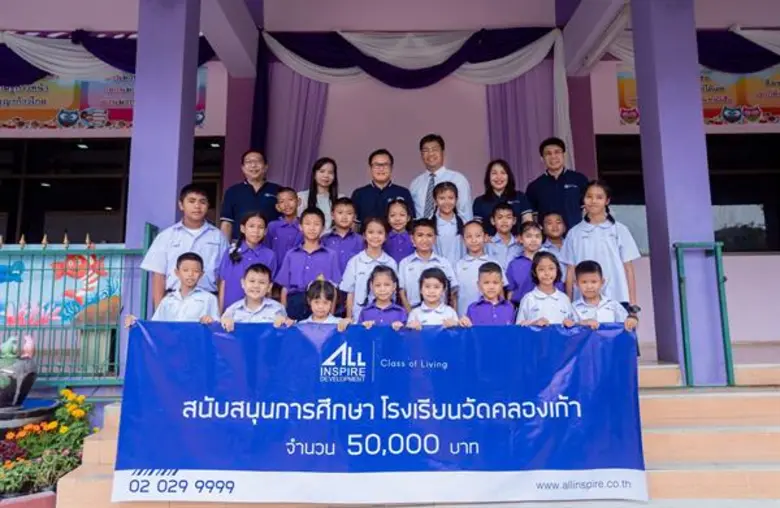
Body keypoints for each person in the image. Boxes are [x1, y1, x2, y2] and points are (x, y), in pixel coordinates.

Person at [140, 184, 229, 308]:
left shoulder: (218, 237)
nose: (197, 206)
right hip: (173, 301)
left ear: (208, 206)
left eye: (202, 202)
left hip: (208, 302)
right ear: (181, 205)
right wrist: (159, 311)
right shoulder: (166, 236)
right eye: (191, 201)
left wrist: (220, 309)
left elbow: (223, 277)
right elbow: (159, 276)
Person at [561, 180, 641, 315]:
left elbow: (628, 268)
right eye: (589, 196)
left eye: (599, 197)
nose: (593, 201)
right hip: (582, 302)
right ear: (583, 199)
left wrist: (632, 304)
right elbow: (570, 270)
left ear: (607, 201)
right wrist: (568, 303)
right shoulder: (574, 233)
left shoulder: (619, 230)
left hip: (617, 297)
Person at [275, 207, 342, 321]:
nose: (312, 228)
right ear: (300, 227)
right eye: (307, 224)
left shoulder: (331, 255)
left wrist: (330, 317)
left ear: (323, 228)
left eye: (316, 224)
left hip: (320, 304)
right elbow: (285, 288)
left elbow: (333, 288)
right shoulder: (291, 254)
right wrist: (284, 315)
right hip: (295, 304)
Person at [126, 252, 219, 326]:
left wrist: (210, 322)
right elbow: (155, 326)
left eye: (196, 271)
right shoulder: (167, 300)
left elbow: (217, 328)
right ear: (177, 272)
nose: (190, 274)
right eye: (185, 270)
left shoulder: (209, 299)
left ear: (201, 274)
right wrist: (136, 324)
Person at [525, 137, 589, 230]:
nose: (553, 157)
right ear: (542, 158)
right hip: (547, 237)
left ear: (564, 155)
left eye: (557, 152)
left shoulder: (579, 180)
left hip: (575, 235)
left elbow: (587, 210)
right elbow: (533, 218)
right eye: (548, 153)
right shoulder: (534, 186)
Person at [339, 217, 397, 321]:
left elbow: (393, 294)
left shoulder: (390, 262)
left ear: (385, 237)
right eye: (371, 232)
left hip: (385, 320)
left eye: (380, 232)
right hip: (359, 319)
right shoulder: (355, 262)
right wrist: (349, 317)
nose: (375, 236)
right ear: (364, 236)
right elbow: (350, 293)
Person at [218, 212, 276, 310]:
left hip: (258, 311)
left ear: (265, 231)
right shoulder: (230, 252)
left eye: (260, 227)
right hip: (231, 310)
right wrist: (220, 312)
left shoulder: (269, 255)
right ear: (243, 228)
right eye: (251, 226)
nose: (256, 231)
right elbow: (223, 283)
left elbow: (269, 288)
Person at [398, 219, 458, 311]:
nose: (425, 240)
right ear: (412, 238)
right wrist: (410, 314)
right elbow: (402, 292)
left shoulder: (444, 263)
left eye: (429, 235)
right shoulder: (405, 263)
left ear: (435, 239)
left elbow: (453, 292)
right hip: (414, 312)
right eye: (420, 235)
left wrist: (453, 313)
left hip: (440, 312)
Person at [219, 149, 280, 240]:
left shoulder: (278, 190)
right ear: (243, 168)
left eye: (258, 161)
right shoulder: (232, 191)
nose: (253, 165)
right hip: (239, 244)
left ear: (265, 167)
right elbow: (227, 224)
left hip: (270, 244)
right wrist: (225, 246)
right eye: (248, 162)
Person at [409, 134, 472, 220]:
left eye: (434, 149)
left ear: (443, 152)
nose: (430, 154)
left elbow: (466, 213)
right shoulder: (415, 184)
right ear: (421, 155)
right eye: (425, 150)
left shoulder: (458, 180)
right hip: (421, 228)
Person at [351, 149, 415, 226]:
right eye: (377, 165)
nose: (381, 169)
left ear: (391, 168)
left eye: (385, 165)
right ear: (370, 168)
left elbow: (411, 224)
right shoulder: (359, 194)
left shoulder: (403, 192)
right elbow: (354, 225)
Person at [220, 264, 293, 331]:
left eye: (262, 282)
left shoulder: (278, 308)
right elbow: (222, 330)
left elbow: (287, 330)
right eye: (252, 281)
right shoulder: (232, 310)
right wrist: (224, 321)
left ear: (269, 287)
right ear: (243, 283)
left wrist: (286, 322)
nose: (256, 286)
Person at [454, 221, 505, 316]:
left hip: (490, 318)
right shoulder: (458, 265)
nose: (474, 240)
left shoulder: (494, 263)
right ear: (463, 240)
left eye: (478, 236)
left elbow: (501, 293)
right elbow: (454, 296)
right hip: (465, 319)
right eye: (469, 236)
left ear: (485, 237)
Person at [572, 260, 638, 331]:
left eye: (594, 282)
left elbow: (628, 323)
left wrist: (632, 320)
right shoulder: (573, 308)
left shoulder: (613, 305)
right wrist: (581, 323)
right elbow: (569, 330)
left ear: (602, 282)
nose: (589, 286)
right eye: (584, 282)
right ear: (576, 284)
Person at [472, 159, 533, 235]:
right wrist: (484, 236)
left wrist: (523, 236)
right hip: (489, 241)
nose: (499, 177)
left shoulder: (520, 197)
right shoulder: (479, 201)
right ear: (488, 177)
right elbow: (477, 228)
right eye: (494, 173)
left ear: (509, 176)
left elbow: (528, 222)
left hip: (517, 241)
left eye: (503, 173)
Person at [516, 252, 575, 327]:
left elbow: (573, 325)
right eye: (541, 269)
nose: (547, 273)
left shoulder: (564, 299)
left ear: (557, 270)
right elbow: (519, 326)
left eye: (551, 268)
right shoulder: (528, 299)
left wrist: (570, 323)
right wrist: (534, 323)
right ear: (534, 272)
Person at [505, 222, 549, 305]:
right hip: (520, 306)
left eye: (537, 236)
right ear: (521, 239)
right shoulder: (514, 264)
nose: (533, 240)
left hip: (546, 305)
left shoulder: (549, 262)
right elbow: (510, 292)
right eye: (529, 236)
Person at [460, 262, 516, 326]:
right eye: (486, 283)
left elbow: (513, 330)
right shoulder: (472, 308)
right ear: (479, 285)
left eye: (495, 283)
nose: (491, 287)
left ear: (501, 285)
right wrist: (463, 322)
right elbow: (467, 330)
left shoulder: (509, 307)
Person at [297, 157, 343, 231]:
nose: (326, 175)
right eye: (322, 171)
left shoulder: (340, 199)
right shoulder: (301, 197)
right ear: (314, 175)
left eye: (330, 172)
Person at [321, 197, 364, 273]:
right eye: (340, 213)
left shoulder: (361, 240)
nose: (344, 217)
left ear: (354, 217)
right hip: (330, 280)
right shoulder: (324, 240)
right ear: (332, 215)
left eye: (349, 213)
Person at [357, 265, 406, 330]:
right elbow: (358, 333)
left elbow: (407, 335)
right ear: (371, 286)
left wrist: (400, 329)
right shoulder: (365, 311)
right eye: (378, 285)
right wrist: (364, 328)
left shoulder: (400, 312)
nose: (382, 289)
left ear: (394, 286)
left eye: (387, 285)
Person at [263, 187, 303, 265]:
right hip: (275, 269)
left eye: (290, 200)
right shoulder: (272, 226)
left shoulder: (304, 226)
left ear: (298, 202)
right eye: (282, 202)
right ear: (278, 207)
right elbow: (266, 249)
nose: (286, 204)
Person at [431, 182, 465, 268]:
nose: (446, 202)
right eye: (442, 198)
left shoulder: (464, 223)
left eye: (450, 198)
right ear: (435, 201)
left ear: (456, 200)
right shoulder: (429, 225)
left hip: (460, 270)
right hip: (437, 270)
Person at [485, 202, 521, 271]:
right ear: (493, 221)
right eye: (500, 217)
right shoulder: (487, 244)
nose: (504, 221)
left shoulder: (520, 244)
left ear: (514, 220)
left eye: (508, 217)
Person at [384, 198, 415, 264]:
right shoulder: (383, 238)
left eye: (402, 215)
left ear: (408, 218)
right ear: (388, 219)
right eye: (392, 215)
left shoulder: (414, 238)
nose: (397, 219)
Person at [541, 212, 567, 279]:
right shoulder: (540, 251)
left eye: (558, 222)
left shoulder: (573, 246)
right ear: (543, 230)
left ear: (564, 228)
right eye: (549, 223)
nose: (555, 226)